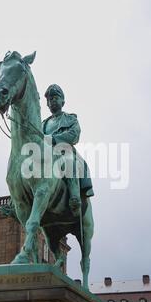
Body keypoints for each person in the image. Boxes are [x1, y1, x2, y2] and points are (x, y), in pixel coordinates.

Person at [42, 84, 94, 216]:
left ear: (62, 101)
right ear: (47, 104)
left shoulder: (71, 119)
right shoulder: (43, 124)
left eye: (55, 97)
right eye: (49, 99)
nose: (52, 100)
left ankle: (75, 196)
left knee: (68, 162)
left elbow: (74, 135)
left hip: (64, 151)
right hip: (45, 154)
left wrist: (54, 139)